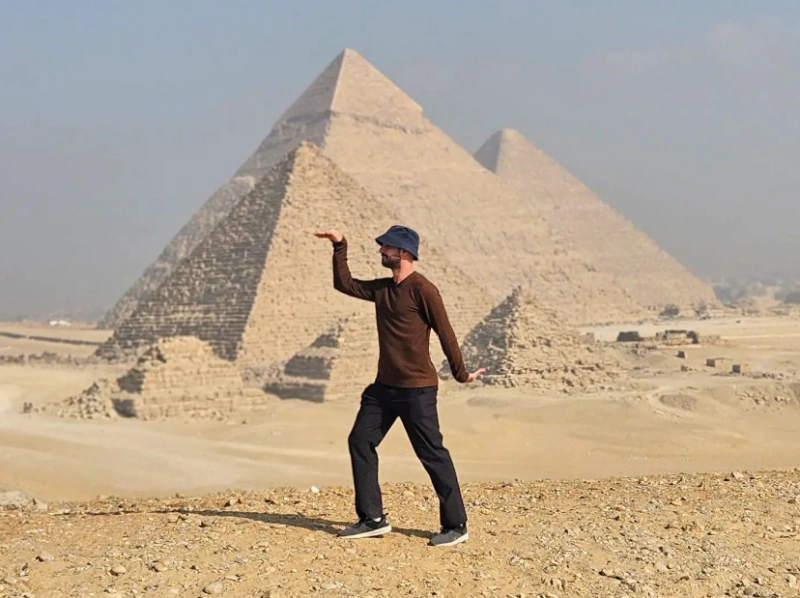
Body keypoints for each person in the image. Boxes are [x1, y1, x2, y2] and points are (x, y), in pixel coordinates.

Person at [314, 224, 485, 547]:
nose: (381, 251)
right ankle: (372, 518)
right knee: (360, 441)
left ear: (404, 253)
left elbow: (446, 334)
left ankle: (456, 524)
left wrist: (461, 374)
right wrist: (339, 245)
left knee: (432, 453)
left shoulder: (424, 290)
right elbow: (345, 284)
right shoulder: (382, 289)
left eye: (387, 248)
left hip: (417, 389)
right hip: (384, 388)